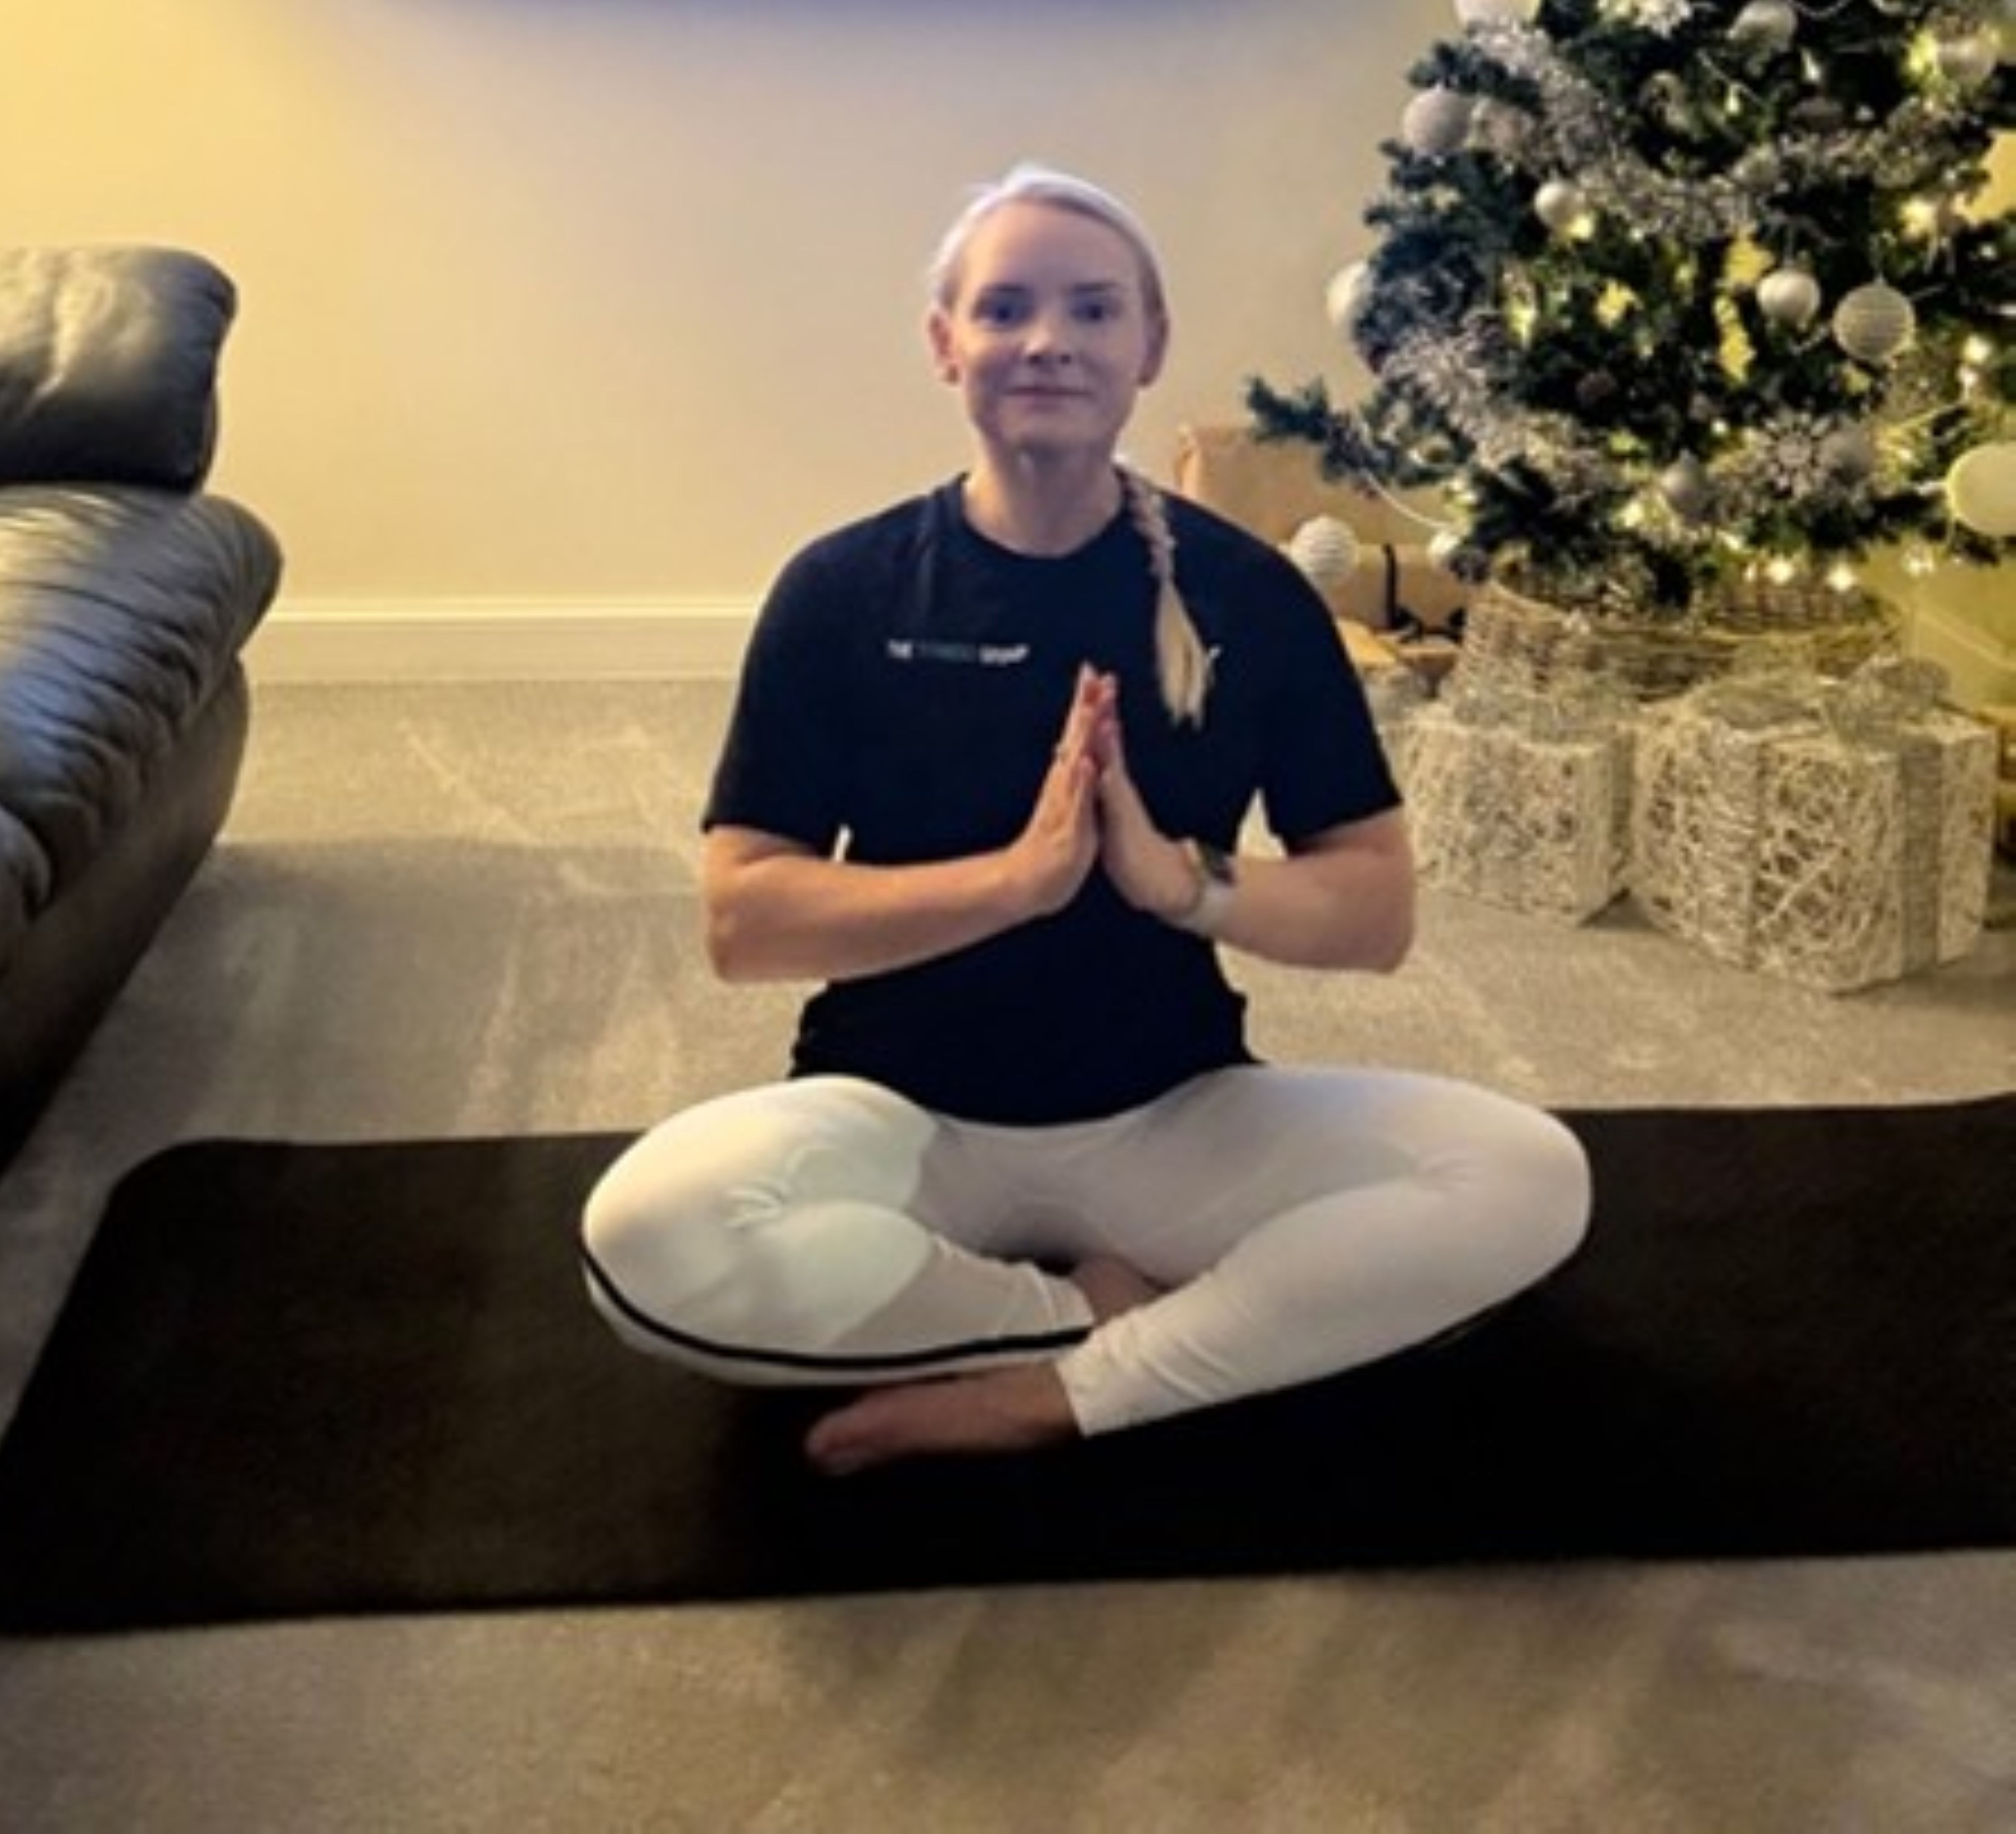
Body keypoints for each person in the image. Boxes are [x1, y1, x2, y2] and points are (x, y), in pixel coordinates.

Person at [580, 165, 1592, 1474]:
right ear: (947, 346)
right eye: (1004, 309)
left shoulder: (1251, 596)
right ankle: (1087, 1321)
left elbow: (1374, 911)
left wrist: (1188, 887)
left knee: (1525, 1174)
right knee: (648, 1233)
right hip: (903, 1125)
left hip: (1169, 1120)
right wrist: (1010, 884)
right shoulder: (842, 587)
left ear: (1148, 347)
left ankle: (1055, 1393)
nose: (1048, 340)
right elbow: (745, 920)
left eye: (1093, 310)